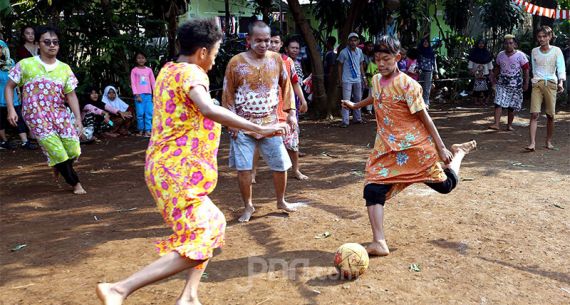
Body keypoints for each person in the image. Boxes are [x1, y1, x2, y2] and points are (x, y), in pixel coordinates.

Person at [95, 18, 288, 305]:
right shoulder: (192, 74)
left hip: (170, 169)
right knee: (203, 234)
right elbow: (208, 108)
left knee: (213, 224)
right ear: (202, 52)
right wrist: (259, 128)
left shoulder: (169, 70)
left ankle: (189, 295)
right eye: (214, 52)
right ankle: (119, 289)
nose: (213, 59)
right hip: (176, 172)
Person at [341, 35, 476, 256]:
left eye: (386, 58)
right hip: (387, 150)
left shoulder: (408, 85)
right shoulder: (376, 80)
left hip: (415, 150)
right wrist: (355, 104)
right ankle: (379, 242)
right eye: (377, 59)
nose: (381, 63)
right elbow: (376, 98)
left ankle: (459, 153)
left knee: (446, 186)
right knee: (372, 188)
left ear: (398, 57)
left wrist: (442, 148)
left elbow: (426, 118)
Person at [222, 20, 298, 223]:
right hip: (243, 125)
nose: (264, 45)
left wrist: (290, 112)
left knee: (280, 165)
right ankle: (248, 206)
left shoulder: (276, 60)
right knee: (244, 169)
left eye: (267, 40)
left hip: (271, 123)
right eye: (259, 41)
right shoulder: (235, 62)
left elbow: (286, 85)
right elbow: (227, 93)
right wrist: (232, 124)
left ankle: (281, 201)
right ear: (248, 40)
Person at [5, 26, 86, 194]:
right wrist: (11, 109)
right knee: (57, 150)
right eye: (47, 42)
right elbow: (9, 86)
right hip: (36, 116)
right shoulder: (25, 65)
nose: (52, 45)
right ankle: (76, 183)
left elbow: (71, 96)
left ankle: (58, 164)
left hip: (60, 113)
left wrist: (78, 119)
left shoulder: (64, 68)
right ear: (38, 44)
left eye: (55, 42)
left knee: (74, 149)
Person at [252, 29, 308, 183]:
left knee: (292, 143)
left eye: (276, 42)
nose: (273, 45)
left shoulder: (288, 62)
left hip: (285, 109)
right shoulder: (256, 60)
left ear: (281, 44)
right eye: (270, 41)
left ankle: (296, 170)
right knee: (257, 141)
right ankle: (253, 173)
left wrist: (303, 101)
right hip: (263, 110)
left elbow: (295, 83)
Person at [527, 26, 566, 151]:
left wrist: (561, 82)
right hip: (537, 83)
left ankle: (548, 141)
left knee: (550, 115)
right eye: (539, 37)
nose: (542, 39)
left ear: (550, 37)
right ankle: (532, 143)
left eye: (544, 36)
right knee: (534, 114)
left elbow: (561, 67)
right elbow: (533, 68)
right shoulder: (534, 51)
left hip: (551, 83)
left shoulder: (556, 51)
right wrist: (534, 81)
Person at [0, 39, 37, 150]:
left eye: (0, 48)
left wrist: (20, 93)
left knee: (19, 118)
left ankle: (25, 142)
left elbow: (17, 79)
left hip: (13, 96)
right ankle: (4, 141)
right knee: (0, 120)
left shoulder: (11, 62)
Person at [488, 35, 529, 131]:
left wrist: (526, 83)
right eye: (506, 43)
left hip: (516, 83)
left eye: (510, 43)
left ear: (515, 44)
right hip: (502, 82)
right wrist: (493, 76)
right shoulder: (500, 55)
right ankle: (496, 124)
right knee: (498, 101)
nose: (508, 45)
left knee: (512, 105)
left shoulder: (521, 55)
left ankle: (509, 125)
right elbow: (498, 67)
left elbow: (526, 70)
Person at [337, 32, 366, 127]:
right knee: (346, 100)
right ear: (348, 41)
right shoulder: (343, 52)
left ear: (358, 41)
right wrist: (340, 79)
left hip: (357, 79)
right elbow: (340, 66)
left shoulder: (360, 52)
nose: (353, 42)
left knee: (358, 99)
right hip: (346, 80)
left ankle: (357, 118)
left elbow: (361, 64)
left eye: (355, 40)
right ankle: (345, 121)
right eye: (351, 40)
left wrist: (364, 77)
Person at [130, 51, 155, 137]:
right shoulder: (134, 70)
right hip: (139, 96)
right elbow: (133, 83)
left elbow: (153, 83)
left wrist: (154, 94)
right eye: (139, 58)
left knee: (149, 113)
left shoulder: (149, 70)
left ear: (145, 59)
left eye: (143, 58)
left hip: (148, 95)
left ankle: (148, 130)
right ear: (136, 60)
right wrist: (136, 95)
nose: (141, 60)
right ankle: (141, 130)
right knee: (140, 114)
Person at [468, 39, 494, 105]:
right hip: (476, 74)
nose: (481, 45)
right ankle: (476, 101)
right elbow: (471, 62)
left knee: (487, 88)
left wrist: (491, 72)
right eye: (480, 43)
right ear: (477, 44)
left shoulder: (487, 53)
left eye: (482, 43)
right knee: (476, 89)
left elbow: (489, 63)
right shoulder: (473, 53)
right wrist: (471, 70)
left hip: (486, 73)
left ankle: (485, 101)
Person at [417, 37, 438, 107]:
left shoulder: (431, 52)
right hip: (420, 71)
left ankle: (426, 103)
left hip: (429, 72)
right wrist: (416, 68)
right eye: (424, 42)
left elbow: (434, 63)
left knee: (427, 87)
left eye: (427, 42)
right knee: (420, 87)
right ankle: (420, 102)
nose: (425, 43)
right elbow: (417, 62)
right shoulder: (419, 52)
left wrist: (436, 73)